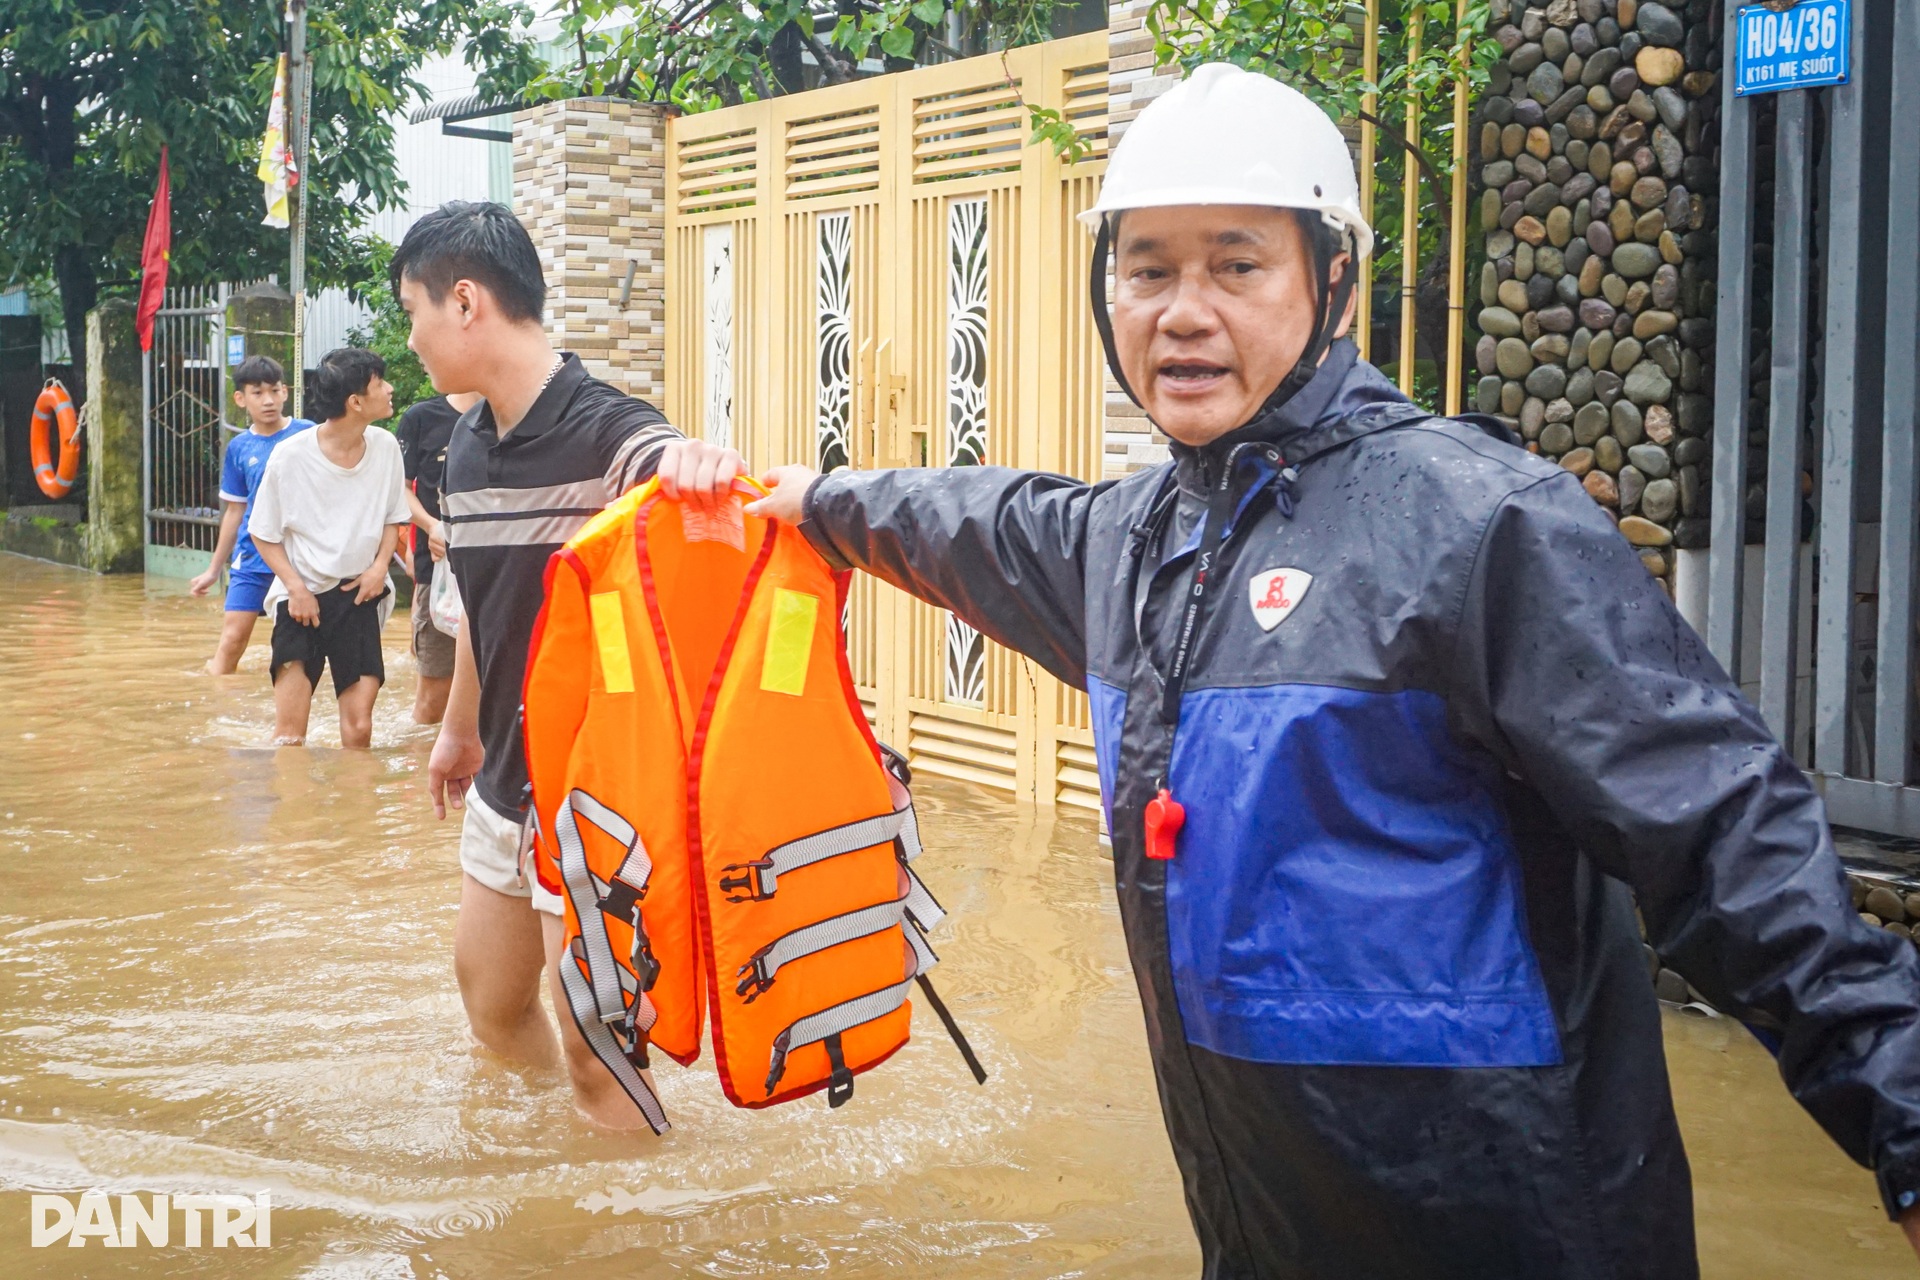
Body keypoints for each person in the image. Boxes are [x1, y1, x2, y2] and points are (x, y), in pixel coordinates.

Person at [729, 63, 1920, 1278]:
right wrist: (808, 502)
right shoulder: (1129, 542)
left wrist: (1904, 1115)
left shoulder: (1481, 526)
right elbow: (972, 520)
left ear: (1332, 279)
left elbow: (1727, 836)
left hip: (1522, 1222)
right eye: (1147, 268)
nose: (1182, 311)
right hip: (1262, 1224)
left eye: (1235, 265)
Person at [394, 201, 744, 1127]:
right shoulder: (465, 446)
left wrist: (696, 463)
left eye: (413, 311)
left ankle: (632, 1225)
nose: (414, 337)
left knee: (600, 1050)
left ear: (463, 301)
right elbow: (478, 608)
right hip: (504, 780)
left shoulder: (606, 430)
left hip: (597, 795)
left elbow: (668, 468)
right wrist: (458, 735)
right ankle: (569, 1163)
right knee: (494, 1005)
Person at [248, 347, 411, 749]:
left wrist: (378, 570)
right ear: (355, 402)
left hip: (359, 594)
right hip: (300, 599)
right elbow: (263, 533)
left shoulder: (386, 447)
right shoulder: (289, 457)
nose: (390, 389)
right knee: (289, 737)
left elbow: (394, 516)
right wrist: (296, 589)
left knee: (358, 733)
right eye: (380, 383)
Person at [189, 356, 314, 673]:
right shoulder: (239, 448)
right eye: (257, 393)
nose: (269, 400)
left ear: (286, 392)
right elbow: (235, 511)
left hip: (302, 556)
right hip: (254, 556)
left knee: (303, 648)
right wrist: (213, 569)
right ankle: (219, 705)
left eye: (274, 390)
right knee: (231, 642)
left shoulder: (310, 434)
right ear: (241, 399)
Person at [395, 389, 480, 724]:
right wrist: (431, 525)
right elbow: (398, 489)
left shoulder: (512, 413)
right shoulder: (421, 417)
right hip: (440, 572)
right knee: (434, 698)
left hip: (496, 574)